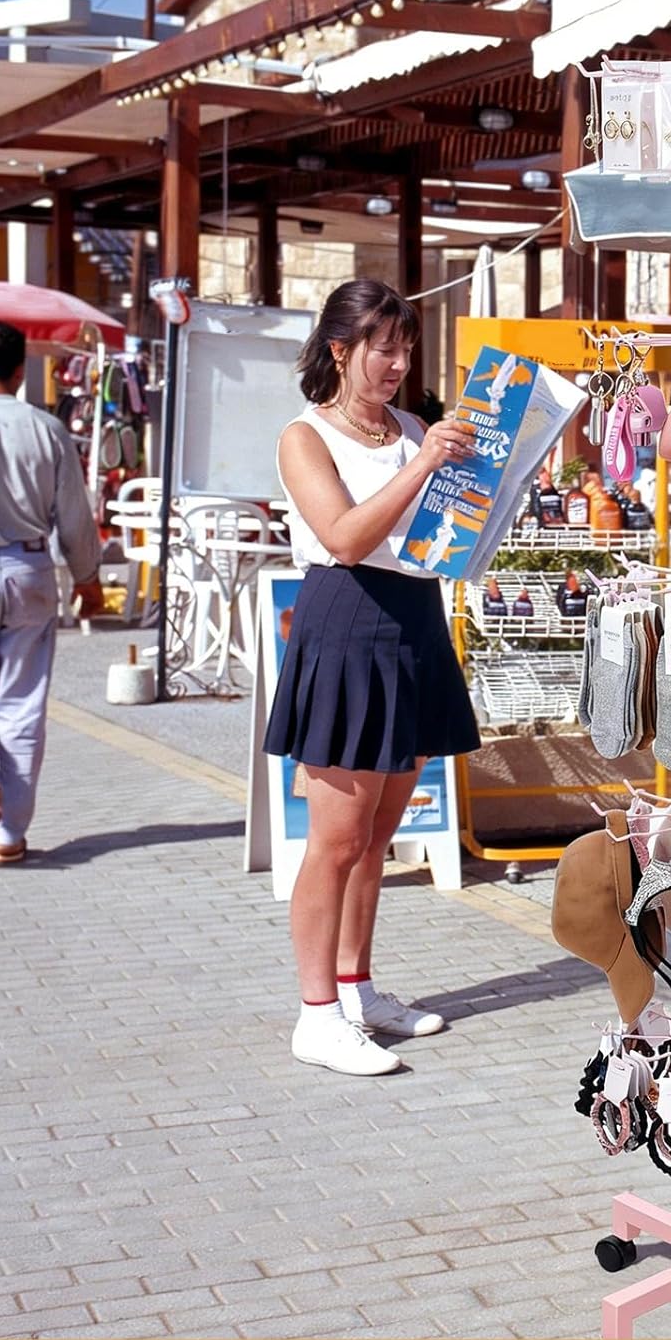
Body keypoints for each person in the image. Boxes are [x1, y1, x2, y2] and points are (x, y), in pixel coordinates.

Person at [263, 279, 481, 1076]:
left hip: (415, 619)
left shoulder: (413, 426)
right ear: (340, 349)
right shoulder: (305, 436)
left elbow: (441, 533)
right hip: (348, 619)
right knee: (336, 839)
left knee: (379, 834)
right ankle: (316, 1014)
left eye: (406, 349)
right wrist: (423, 462)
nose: (397, 364)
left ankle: (356, 990)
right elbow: (345, 537)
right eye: (383, 348)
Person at [0, 320, 103, 863]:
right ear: (21, 371)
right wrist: (88, 579)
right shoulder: (48, 429)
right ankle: (10, 835)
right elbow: (74, 514)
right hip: (29, 570)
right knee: (22, 704)